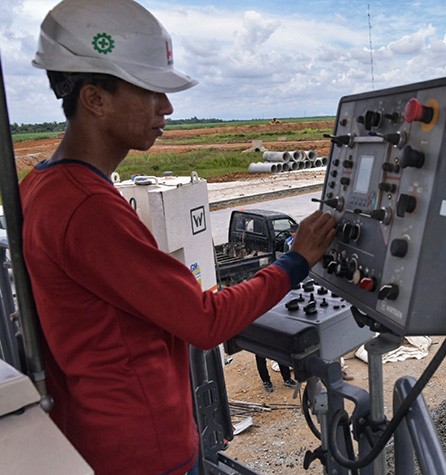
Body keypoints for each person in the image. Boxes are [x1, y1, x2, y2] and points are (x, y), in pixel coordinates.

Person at [20, 1, 336, 473]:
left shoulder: (40, 186)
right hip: (144, 451)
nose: (167, 107)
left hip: (93, 433)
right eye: (151, 91)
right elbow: (205, 322)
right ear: (95, 99)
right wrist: (295, 261)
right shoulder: (87, 209)